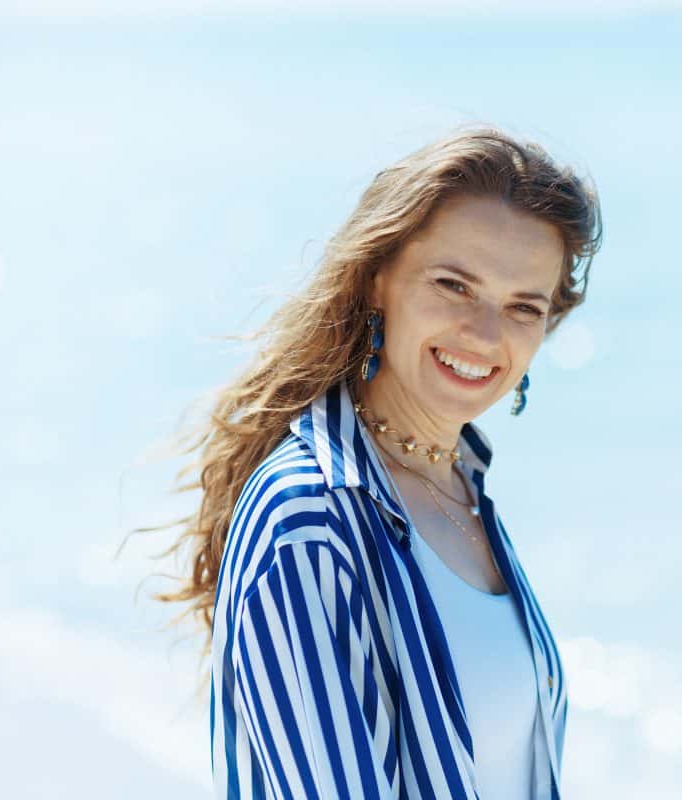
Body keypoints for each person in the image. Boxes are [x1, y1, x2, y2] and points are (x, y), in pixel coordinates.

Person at [148, 125, 603, 799]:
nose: (484, 333)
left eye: (522, 307)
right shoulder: (308, 519)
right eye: (454, 285)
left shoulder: (460, 490)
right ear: (377, 279)